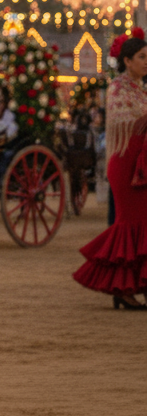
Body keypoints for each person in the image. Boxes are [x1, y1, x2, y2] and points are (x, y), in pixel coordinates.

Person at [73, 31, 147, 309]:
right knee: (131, 224)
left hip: (141, 163)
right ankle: (124, 288)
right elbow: (125, 121)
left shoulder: (140, 88)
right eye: (141, 57)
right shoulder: (118, 88)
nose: (146, 62)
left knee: (142, 225)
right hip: (126, 163)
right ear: (127, 61)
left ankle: (132, 286)